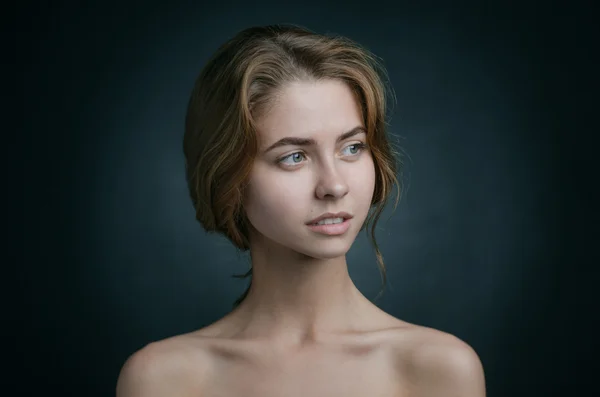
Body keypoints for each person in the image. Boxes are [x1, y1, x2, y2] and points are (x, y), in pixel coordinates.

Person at [116, 24, 486, 396]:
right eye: (294, 157)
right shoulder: (163, 379)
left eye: (352, 147)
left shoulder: (439, 369)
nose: (334, 185)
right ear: (228, 176)